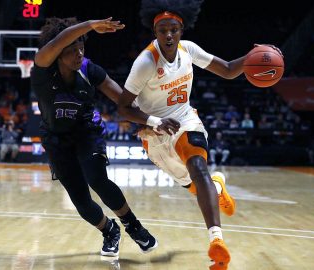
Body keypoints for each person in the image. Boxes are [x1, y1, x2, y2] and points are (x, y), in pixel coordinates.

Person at [116, 1, 283, 268]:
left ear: (181, 30)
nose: (168, 35)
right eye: (162, 30)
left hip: (184, 120)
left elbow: (228, 70)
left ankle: (216, 240)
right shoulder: (145, 62)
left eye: (173, 29)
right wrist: (155, 121)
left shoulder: (188, 50)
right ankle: (217, 188)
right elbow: (123, 108)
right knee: (193, 186)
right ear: (155, 32)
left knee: (198, 168)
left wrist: (254, 57)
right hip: (154, 132)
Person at [30, 17, 157, 257]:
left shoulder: (89, 69)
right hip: (56, 138)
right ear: (58, 52)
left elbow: (122, 100)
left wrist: (148, 121)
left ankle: (133, 226)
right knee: (82, 204)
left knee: (97, 179)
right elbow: (57, 42)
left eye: (81, 47)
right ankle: (109, 230)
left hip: (87, 132)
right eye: (71, 50)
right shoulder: (43, 67)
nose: (79, 54)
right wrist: (89, 24)